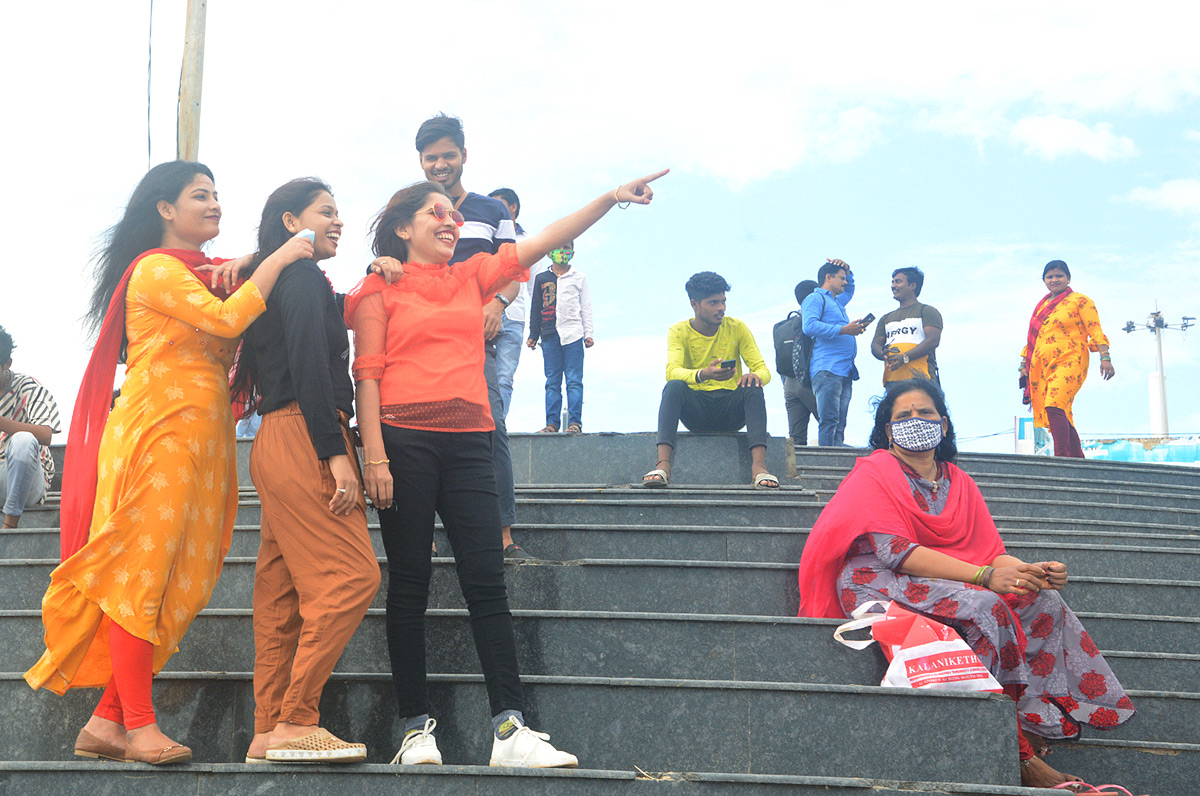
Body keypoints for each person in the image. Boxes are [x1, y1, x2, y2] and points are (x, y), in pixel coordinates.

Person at [347, 168, 667, 767]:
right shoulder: (375, 289)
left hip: (471, 440)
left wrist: (607, 198)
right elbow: (366, 375)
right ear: (401, 228)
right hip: (403, 443)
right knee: (410, 586)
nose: (451, 220)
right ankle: (415, 730)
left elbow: (544, 238)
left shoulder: (473, 275)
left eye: (453, 214)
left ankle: (510, 730)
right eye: (435, 213)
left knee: (487, 585)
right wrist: (375, 455)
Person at [25, 161, 308, 764]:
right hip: (158, 433)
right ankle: (139, 725)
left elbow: (244, 304)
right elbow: (230, 320)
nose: (214, 204)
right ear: (164, 209)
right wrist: (281, 255)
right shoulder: (156, 270)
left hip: (203, 438)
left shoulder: (206, 272)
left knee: (181, 579)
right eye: (199, 195)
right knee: (142, 575)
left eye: (215, 194)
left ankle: (104, 723)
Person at [797, 377, 1135, 789]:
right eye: (903, 416)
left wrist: (1031, 571)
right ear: (888, 431)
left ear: (942, 424)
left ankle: (1026, 723)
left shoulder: (958, 480)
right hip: (881, 580)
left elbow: (989, 550)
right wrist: (987, 577)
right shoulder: (875, 473)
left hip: (950, 577)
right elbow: (897, 553)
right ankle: (1018, 756)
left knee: (1040, 601)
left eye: (925, 412)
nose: (915, 420)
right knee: (985, 607)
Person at [231, 179, 385, 763]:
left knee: (281, 594)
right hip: (304, 432)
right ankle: (297, 718)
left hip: (276, 439)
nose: (339, 220)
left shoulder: (285, 275)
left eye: (340, 211)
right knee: (352, 577)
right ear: (292, 220)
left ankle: (268, 730)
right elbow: (308, 365)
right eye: (327, 212)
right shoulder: (297, 276)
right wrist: (337, 451)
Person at [415, 114, 526, 557]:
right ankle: (425, 532)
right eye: (431, 158)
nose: (440, 164)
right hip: (418, 339)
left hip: (474, 336)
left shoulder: (492, 210)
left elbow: (514, 272)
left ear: (464, 155)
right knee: (419, 431)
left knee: (491, 426)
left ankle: (501, 531)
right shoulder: (411, 208)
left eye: (447, 155)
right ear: (421, 161)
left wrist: (496, 304)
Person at [641, 272, 776, 490]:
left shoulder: (737, 327)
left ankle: (759, 468)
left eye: (723, 302)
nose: (721, 308)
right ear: (694, 304)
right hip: (698, 411)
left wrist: (755, 376)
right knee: (673, 387)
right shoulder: (679, 331)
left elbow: (764, 370)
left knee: (753, 387)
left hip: (731, 409)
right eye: (713, 303)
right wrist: (704, 374)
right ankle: (663, 465)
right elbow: (672, 371)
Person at [1019, 260, 1113, 458]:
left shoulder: (1081, 301)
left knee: (1054, 404)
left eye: (1059, 275)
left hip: (1071, 361)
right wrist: (1023, 365)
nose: (1054, 280)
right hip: (1042, 367)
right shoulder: (1042, 305)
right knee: (1060, 411)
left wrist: (1105, 357)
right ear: (1044, 281)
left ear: (1068, 278)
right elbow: (1035, 338)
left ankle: (1061, 458)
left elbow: (1095, 329)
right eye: (1050, 276)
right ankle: (1077, 459)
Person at [488, 187, 546, 418]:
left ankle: (497, 428)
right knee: (479, 374)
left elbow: (536, 286)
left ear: (513, 207)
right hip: (484, 312)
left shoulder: (528, 242)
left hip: (514, 316)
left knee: (504, 376)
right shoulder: (487, 237)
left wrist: (538, 328)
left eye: (499, 205)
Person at [526, 242, 594, 434]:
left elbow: (586, 306)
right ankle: (552, 424)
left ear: (572, 252)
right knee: (552, 381)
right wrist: (533, 334)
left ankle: (574, 423)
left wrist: (588, 333)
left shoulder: (579, 277)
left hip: (573, 334)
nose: (562, 252)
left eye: (566, 247)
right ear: (549, 253)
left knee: (573, 380)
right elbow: (536, 308)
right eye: (558, 248)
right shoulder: (541, 279)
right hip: (549, 335)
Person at [0, 326, 62, 530]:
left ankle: (9, 526)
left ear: (7, 364)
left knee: (24, 441)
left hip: (27, 480)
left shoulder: (27, 387)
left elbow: (45, 435)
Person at [801, 259, 867, 447]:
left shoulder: (837, 301)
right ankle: (827, 460)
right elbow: (809, 326)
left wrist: (848, 269)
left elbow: (850, 290)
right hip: (827, 368)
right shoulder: (815, 298)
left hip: (843, 370)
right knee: (829, 420)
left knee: (840, 422)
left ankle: (838, 458)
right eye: (841, 278)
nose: (845, 282)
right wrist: (845, 330)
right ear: (828, 277)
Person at [870, 267, 942, 385]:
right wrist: (883, 354)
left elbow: (932, 341)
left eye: (898, 282)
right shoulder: (886, 318)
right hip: (892, 381)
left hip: (922, 380)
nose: (893, 286)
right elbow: (875, 344)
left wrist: (905, 357)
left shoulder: (927, 311)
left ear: (912, 286)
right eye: (892, 282)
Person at [782, 281, 819, 446]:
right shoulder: (813, 322)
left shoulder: (787, 324)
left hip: (789, 383)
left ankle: (793, 472)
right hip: (809, 381)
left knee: (796, 439)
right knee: (830, 427)